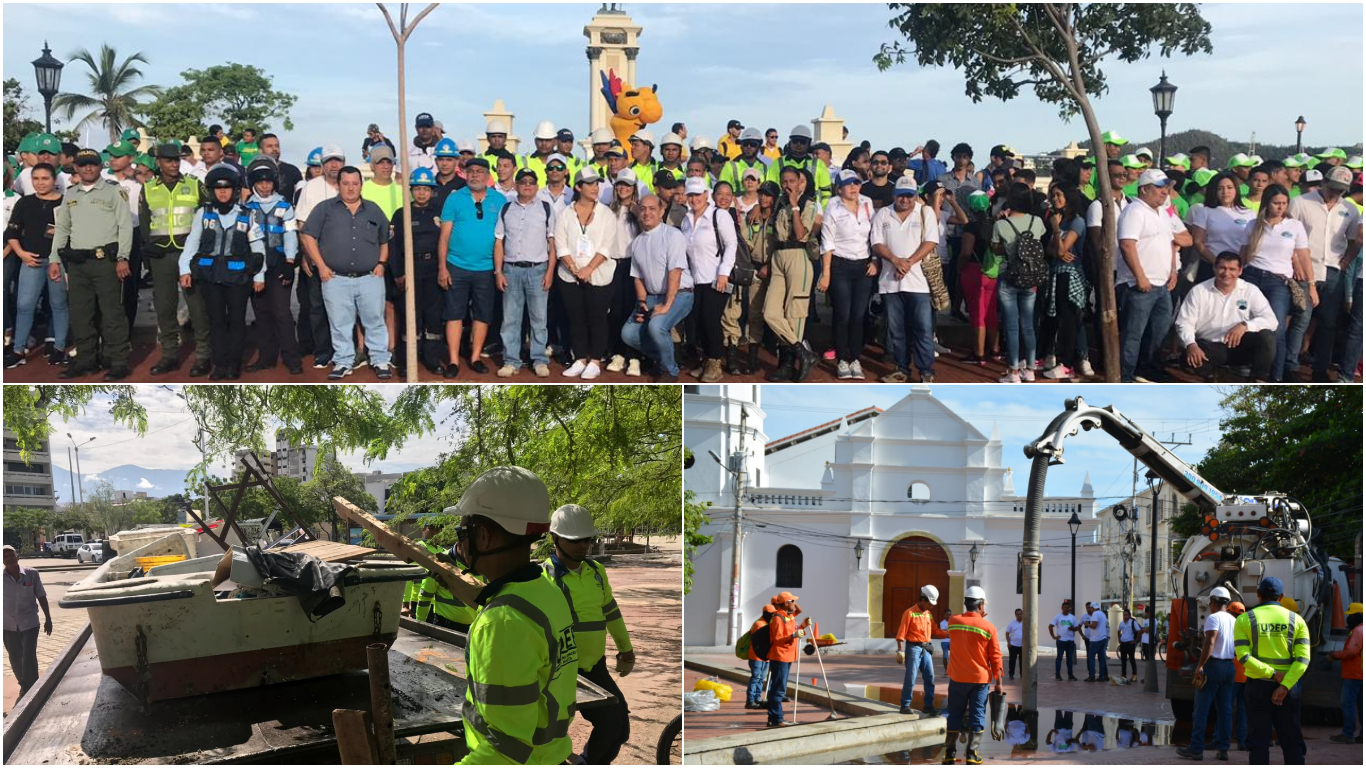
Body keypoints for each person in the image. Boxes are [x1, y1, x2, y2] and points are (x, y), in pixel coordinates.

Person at [451, 466, 577, 765]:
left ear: (484, 536)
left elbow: (506, 749)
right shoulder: (546, 589)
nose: (460, 544)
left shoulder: (503, 622)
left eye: (462, 533)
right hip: (550, 755)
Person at [541, 504, 634, 764]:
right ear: (555, 538)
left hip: (595, 666)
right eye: (575, 540)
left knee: (619, 728)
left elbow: (611, 612)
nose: (583, 545)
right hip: (562, 670)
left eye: (587, 539)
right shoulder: (544, 577)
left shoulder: (596, 572)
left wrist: (626, 649)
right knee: (552, 734)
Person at [301, 165, 394, 380]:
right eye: (345, 184)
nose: (350, 188)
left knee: (375, 320)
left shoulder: (373, 210)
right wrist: (321, 267)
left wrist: (381, 263)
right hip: (335, 279)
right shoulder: (324, 209)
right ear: (338, 186)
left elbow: (384, 240)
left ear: (361, 185)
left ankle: (380, 359)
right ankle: (343, 361)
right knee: (340, 323)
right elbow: (308, 236)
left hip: (370, 278)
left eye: (355, 183)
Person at [49, 148, 133, 380]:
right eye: (83, 164)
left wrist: (123, 257)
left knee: (112, 314)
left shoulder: (114, 192)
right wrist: (54, 258)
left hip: (105, 262)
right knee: (80, 315)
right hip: (77, 263)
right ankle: (86, 361)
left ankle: (118, 361)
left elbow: (125, 226)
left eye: (93, 164)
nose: (88, 168)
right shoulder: (71, 194)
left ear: (100, 166)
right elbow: (62, 228)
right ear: (75, 167)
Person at [178, 167, 266, 380]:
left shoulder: (247, 215)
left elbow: (258, 247)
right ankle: (220, 364)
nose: (223, 192)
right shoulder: (203, 213)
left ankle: (234, 364)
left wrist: (259, 276)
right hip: (210, 278)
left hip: (238, 279)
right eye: (218, 188)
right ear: (212, 191)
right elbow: (192, 242)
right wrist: (185, 269)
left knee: (236, 321)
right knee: (216, 322)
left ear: (235, 190)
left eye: (227, 187)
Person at [1116, 169, 1192, 382]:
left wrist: (1172, 271)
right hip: (1137, 284)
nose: (1165, 191)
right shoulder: (1134, 211)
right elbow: (1127, 245)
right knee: (1133, 333)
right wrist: (1140, 277)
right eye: (1159, 187)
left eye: (1166, 187)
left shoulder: (1163, 214)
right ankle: (1126, 375)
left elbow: (1171, 244)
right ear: (1144, 189)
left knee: (1159, 331)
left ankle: (1146, 369)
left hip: (1162, 284)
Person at [1288, 165, 1361, 382]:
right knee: (1301, 319)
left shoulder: (1350, 209)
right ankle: (1290, 367)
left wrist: (1345, 261)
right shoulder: (1301, 202)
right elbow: (1288, 235)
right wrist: (1295, 263)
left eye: (1341, 190)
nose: (1335, 193)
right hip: (1305, 267)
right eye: (1333, 187)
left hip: (1333, 270)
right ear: (1324, 182)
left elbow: (1354, 241)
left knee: (1328, 323)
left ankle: (1320, 370)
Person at [1240, 184, 1313, 382]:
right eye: (1276, 203)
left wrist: (1311, 284)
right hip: (1252, 277)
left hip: (1278, 281)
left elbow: (1304, 256)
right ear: (1267, 203)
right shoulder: (1253, 225)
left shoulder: (1294, 226)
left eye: (1284, 203)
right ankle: (1251, 368)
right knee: (1249, 323)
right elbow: (1243, 253)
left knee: (1277, 328)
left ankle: (1277, 375)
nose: (1280, 207)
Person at [1233, 577, 1309, 765]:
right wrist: (1284, 686)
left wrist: (1272, 674)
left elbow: (1243, 657)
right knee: (1292, 740)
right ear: (1281, 597)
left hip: (1257, 688)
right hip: (1288, 689)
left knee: (1258, 741)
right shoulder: (1297, 620)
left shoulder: (1244, 619)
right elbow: (1303, 660)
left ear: (1258, 594)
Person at [873, 175, 939, 383]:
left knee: (923, 329)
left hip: (919, 283)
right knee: (896, 330)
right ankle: (901, 368)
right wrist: (895, 260)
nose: (905, 199)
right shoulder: (883, 213)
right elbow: (876, 243)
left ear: (916, 196)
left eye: (909, 196)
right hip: (890, 282)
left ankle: (926, 371)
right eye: (901, 195)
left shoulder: (925, 212)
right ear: (895, 195)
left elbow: (930, 241)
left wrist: (907, 263)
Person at [621, 194, 693, 382]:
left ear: (662, 211)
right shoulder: (637, 242)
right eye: (643, 208)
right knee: (628, 334)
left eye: (652, 208)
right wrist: (642, 303)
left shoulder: (672, 235)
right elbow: (638, 277)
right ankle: (665, 359)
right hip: (652, 296)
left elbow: (675, 273)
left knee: (656, 326)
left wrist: (667, 305)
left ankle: (670, 372)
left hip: (680, 293)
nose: (647, 213)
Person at [555, 167, 618, 379]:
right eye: (589, 184)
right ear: (578, 187)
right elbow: (561, 245)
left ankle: (595, 360)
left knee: (597, 317)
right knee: (576, 318)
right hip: (570, 276)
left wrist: (589, 269)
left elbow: (607, 246)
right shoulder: (565, 213)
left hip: (599, 275)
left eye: (596, 183)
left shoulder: (606, 214)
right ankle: (580, 358)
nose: (594, 187)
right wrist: (575, 269)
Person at [1175, 252, 1278, 381]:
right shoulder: (1199, 291)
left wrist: (1245, 325)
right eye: (1222, 268)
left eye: (1232, 269)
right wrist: (1191, 345)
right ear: (1214, 268)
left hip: (1239, 346)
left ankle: (1258, 380)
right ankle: (1213, 375)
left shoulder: (1250, 290)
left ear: (1240, 271)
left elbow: (1272, 320)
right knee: (1190, 358)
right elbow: (1184, 322)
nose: (1226, 273)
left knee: (1267, 337)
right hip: (1210, 346)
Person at [5, 163, 68, 369]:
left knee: (58, 304)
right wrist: (22, 254)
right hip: (31, 261)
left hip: (57, 262)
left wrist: (58, 260)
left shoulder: (65, 203)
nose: (40, 183)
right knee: (24, 306)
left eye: (45, 178)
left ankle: (59, 348)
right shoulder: (24, 203)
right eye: (36, 178)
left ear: (54, 180)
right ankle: (18, 350)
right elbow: (12, 233)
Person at [494, 167, 555, 378]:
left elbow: (552, 243)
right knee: (510, 319)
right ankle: (511, 360)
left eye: (531, 182)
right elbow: (499, 242)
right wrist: (498, 272)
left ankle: (539, 359)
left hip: (538, 270)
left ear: (537, 186)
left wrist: (550, 272)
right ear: (516, 185)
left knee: (539, 319)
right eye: (523, 182)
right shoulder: (506, 208)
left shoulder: (545, 209)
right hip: (511, 270)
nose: (527, 185)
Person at [243, 159, 302, 374]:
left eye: (268, 182)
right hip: (256, 268)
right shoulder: (247, 208)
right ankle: (266, 357)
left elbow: (290, 235)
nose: (265, 185)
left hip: (279, 266)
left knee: (282, 313)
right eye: (260, 182)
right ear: (254, 184)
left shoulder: (284, 206)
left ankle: (292, 359)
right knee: (262, 314)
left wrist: (289, 262)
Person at [820, 169, 876, 379]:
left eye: (856, 183)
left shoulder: (867, 203)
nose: (853, 187)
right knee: (842, 314)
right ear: (839, 188)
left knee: (859, 316)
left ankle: (855, 358)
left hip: (863, 266)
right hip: (840, 265)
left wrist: (875, 260)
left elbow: (875, 234)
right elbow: (827, 241)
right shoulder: (833, 206)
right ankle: (843, 358)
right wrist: (826, 273)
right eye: (848, 184)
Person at [681, 176, 737, 382]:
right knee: (697, 320)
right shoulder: (686, 220)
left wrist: (723, 272)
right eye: (691, 195)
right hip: (695, 280)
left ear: (706, 194)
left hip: (716, 278)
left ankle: (715, 362)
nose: (694, 199)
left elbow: (731, 244)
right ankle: (706, 359)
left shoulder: (719, 215)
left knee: (710, 319)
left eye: (698, 194)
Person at [940, 586, 1002, 767]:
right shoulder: (989, 627)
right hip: (980, 680)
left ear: (965, 603)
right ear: (981, 605)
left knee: (954, 714)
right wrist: (998, 682)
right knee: (977, 715)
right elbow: (996, 657)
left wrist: (977, 617)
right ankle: (972, 754)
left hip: (957, 677)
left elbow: (961, 628)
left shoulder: (953, 621)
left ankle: (950, 754)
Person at [295, 145, 344, 368]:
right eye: (329, 161)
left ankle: (343, 350)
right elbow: (301, 224)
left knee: (344, 307)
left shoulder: (350, 184)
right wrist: (306, 255)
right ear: (322, 165)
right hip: (317, 257)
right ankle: (323, 351)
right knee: (317, 306)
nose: (334, 165)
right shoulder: (311, 187)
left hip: (344, 258)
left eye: (338, 160)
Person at [992, 184, 1046, 383]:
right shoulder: (1037, 221)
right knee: (1029, 325)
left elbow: (996, 250)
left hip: (1009, 277)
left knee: (1011, 326)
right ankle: (1030, 369)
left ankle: (1013, 372)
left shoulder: (1001, 225)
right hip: (1031, 277)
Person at [1177, 586, 1237, 761]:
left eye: (1210, 602)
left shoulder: (1213, 618)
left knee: (1201, 710)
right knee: (1225, 711)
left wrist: (1200, 666)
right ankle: (1223, 749)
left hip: (1214, 666)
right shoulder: (1234, 620)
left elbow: (1209, 643)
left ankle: (1196, 749)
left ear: (1213, 602)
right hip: (1229, 666)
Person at [1039, 185, 1090, 381]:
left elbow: (1061, 250)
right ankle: (1061, 361)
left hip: (1071, 275)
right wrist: (1058, 247)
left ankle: (1067, 364)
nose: (1055, 198)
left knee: (1069, 319)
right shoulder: (1062, 220)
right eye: (1053, 195)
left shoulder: (1077, 221)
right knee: (1058, 317)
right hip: (1058, 273)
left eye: (1059, 195)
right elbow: (1051, 250)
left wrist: (1056, 230)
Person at [605, 170, 644, 375]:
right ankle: (618, 353)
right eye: (620, 184)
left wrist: (638, 214)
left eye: (627, 185)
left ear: (634, 188)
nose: (623, 189)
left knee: (632, 310)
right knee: (615, 311)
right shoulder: (608, 210)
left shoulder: (638, 210)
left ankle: (634, 356)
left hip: (633, 266)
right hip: (612, 264)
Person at [3, 545, 53, 699]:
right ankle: (23, 684)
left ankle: (31, 687)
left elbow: (41, 596)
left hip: (30, 622)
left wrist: (48, 618)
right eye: (5, 556)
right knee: (15, 657)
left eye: (11, 555)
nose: (9, 558)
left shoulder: (32, 574)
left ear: (17, 556)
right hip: (7, 625)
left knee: (29, 655)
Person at [894, 584, 947, 716]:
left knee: (930, 677)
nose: (931, 606)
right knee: (911, 677)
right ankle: (905, 705)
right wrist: (900, 650)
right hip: (913, 648)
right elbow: (901, 633)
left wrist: (950, 633)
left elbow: (935, 630)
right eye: (929, 603)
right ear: (923, 600)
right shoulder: (909, 613)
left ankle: (928, 705)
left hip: (926, 649)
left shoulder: (928, 614)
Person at [766, 591, 812, 728]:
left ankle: (774, 718)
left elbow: (795, 627)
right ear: (786, 603)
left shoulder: (788, 616)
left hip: (787, 656)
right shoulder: (778, 618)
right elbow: (778, 639)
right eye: (792, 601)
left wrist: (803, 626)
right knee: (778, 689)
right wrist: (793, 635)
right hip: (780, 657)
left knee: (779, 688)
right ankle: (776, 719)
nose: (795, 603)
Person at [766, 124, 832, 205]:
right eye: (795, 141)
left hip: (812, 209)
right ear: (790, 142)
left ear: (809, 143)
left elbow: (826, 193)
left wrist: (821, 210)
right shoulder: (777, 163)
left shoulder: (819, 164)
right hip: (784, 209)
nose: (798, 144)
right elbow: (770, 190)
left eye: (803, 142)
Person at [1327, 602, 1362, 743]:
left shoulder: (1358, 631)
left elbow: (1351, 651)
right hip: (1360, 675)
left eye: (1351, 616)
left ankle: (1348, 734)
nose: (1349, 619)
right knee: (1361, 706)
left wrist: (1335, 655)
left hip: (1354, 675)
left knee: (1347, 704)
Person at [1226, 601, 1250, 750]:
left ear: (1230, 612)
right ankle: (1242, 741)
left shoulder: (1230, 627)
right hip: (1246, 674)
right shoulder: (1248, 627)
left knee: (1226, 708)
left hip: (1233, 675)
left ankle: (1222, 740)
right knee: (1243, 710)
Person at [745, 605, 777, 709]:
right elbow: (764, 639)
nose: (773, 616)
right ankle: (750, 700)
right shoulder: (759, 624)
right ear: (766, 614)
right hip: (756, 657)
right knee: (756, 678)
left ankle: (757, 698)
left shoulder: (767, 623)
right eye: (772, 614)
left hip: (765, 657)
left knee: (761, 678)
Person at [1050, 601, 1080, 680]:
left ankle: (1070, 675)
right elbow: (1050, 626)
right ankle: (1057, 675)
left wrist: (1072, 628)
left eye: (1068, 608)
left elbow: (1077, 628)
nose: (1066, 609)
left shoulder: (1072, 617)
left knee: (1069, 659)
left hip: (1070, 641)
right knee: (1059, 658)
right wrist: (1053, 636)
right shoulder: (1058, 617)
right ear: (1062, 608)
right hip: (1061, 640)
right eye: (1065, 607)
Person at [1082, 600, 1110, 682]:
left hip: (1095, 639)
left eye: (1090, 608)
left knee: (1091, 658)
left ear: (1093, 608)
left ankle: (1092, 676)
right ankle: (1101, 676)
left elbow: (1094, 626)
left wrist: (1087, 624)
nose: (1090, 609)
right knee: (1101, 659)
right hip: (1103, 638)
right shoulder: (1102, 614)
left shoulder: (1095, 614)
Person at [1116, 607, 1141, 683]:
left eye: (1126, 615)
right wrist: (1119, 639)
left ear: (1129, 615)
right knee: (1123, 660)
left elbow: (1139, 631)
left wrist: (1136, 641)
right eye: (1124, 615)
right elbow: (1118, 631)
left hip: (1130, 643)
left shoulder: (1132, 622)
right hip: (1123, 643)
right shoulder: (1121, 623)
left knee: (1132, 659)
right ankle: (1123, 675)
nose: (1125, 616)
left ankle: (1134, 676)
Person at [1005, 608, 1024, 681]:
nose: (1019, 615)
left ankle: (1022, 674)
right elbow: (1007, 633)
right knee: (1012, 660)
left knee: (1022, 661)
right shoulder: (1012, 623)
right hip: (1013, 645)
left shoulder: (1026, 623)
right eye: (1017, 614)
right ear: (1015, 615)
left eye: (1020, 614)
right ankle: (1011, 674)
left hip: (1023, 646)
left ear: (1022, 614)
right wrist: (1008, 642)